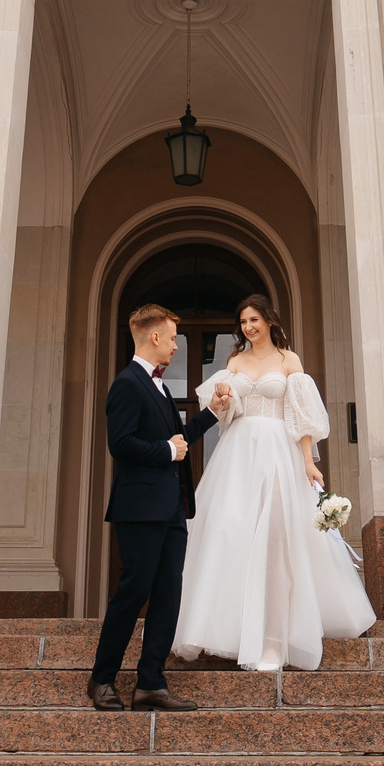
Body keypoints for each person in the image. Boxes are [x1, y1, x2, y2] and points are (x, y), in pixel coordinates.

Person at [173, 292, 375, 671]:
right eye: (243, 321)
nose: (248, 327)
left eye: (254, 319)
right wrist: (224, 398)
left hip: (278, 452)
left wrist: (307, 462)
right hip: (238, 454)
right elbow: (227, 415)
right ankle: (223, 631)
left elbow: (300, 416)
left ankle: (272, 641)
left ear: (269, 320)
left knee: (277, 542)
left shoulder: (288, 360)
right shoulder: (234, 361)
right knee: (230, 535)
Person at [87, 301, 231, 711]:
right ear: (153, 336)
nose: (175, 346)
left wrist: (212, 413)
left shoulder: (160, 387)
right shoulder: (127, 383)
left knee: (168, 593)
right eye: (171, 338)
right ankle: (101, 679)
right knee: (134, 591)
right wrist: (166, 450)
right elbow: (121, 444)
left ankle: (151, 683)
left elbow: (178, 438)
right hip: (139, 507)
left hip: (171, 509)